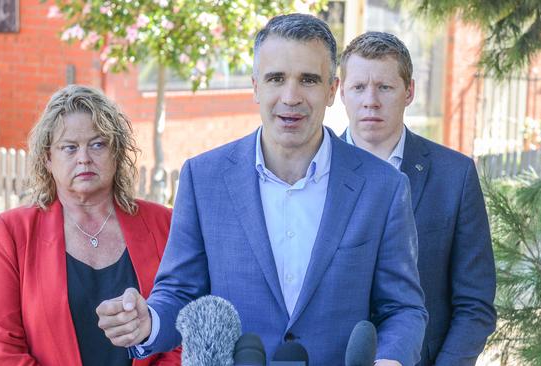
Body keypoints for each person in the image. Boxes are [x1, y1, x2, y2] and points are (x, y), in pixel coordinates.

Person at [96, 14, 428, 366]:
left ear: (332, 90)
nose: (291, 96)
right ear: (255, 85)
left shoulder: (384, 186)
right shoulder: (204, 178)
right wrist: (148, 322)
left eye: (308, 80)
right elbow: (181, 292)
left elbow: (403, 308)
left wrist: (391, 360)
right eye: (276, 78)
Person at [0, 85, 180, 366]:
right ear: (48, 158)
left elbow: (185, 327)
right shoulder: (10, 233)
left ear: (116, 152)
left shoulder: (164, 224)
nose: (84, 158)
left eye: (97, 144)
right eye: (69, 147)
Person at [339, 32, 497, 366]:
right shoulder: (313, 172)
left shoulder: (456, 175)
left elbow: (475, 303)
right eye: (358, 88)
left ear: (409, 92)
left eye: (385, 87)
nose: (370, 100)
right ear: (340, 91)